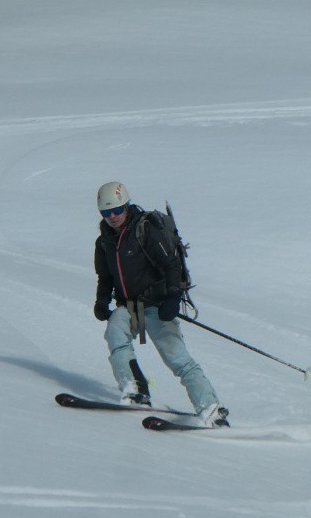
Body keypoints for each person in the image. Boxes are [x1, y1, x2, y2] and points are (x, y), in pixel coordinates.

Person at [91, 181, 228, 427]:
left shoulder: (146, 230)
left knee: (178, 359)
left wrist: (173, 297)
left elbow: (170, 265)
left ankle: (211, 410)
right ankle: (136, 391)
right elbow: (105, 277)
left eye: (117, 210)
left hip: (157, 305)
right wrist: (101, 302)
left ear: (126, 206)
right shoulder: (104, 242)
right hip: (129, 307)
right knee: (115, 334)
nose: (112, 217)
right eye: (106, 212)